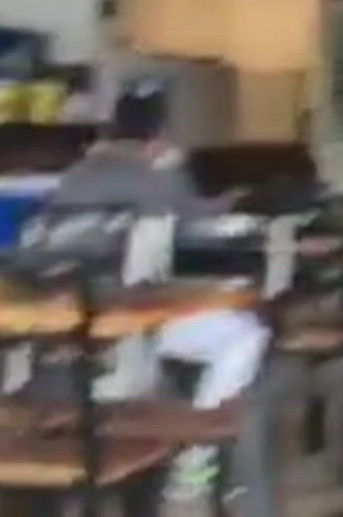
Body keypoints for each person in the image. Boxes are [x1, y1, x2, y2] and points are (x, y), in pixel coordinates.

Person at [50, 85, 269, 501]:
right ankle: (196, 455)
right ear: (160, 136)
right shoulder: (154, 179)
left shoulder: (73, 177)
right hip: (135, 326)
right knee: (245, 334)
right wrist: (237, 199)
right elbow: (199, 225)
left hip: (73, 325)